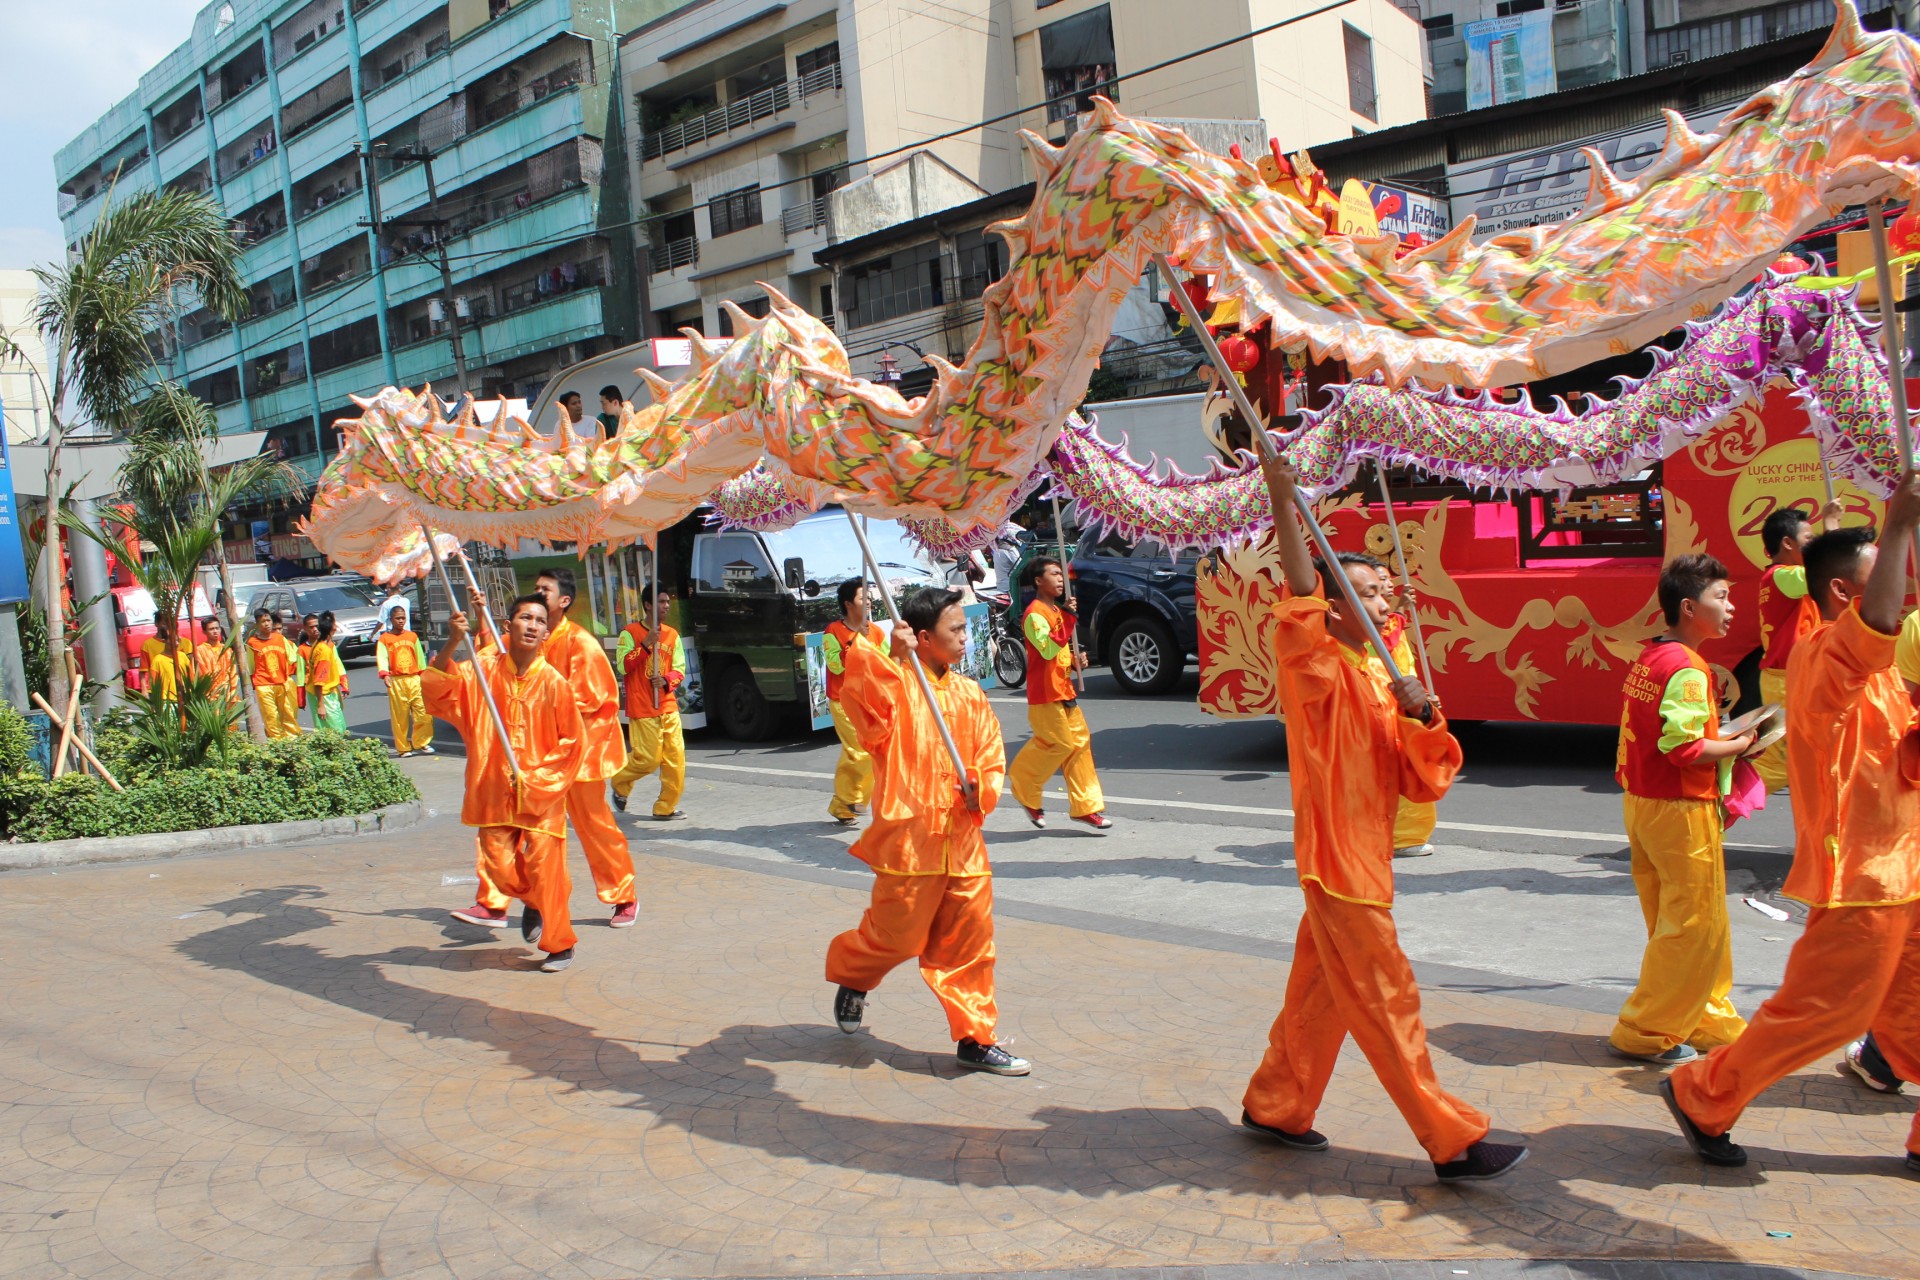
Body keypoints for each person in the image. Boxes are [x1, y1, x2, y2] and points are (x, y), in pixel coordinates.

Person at [1239, 454, 1524, 1182]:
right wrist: (1281, 492)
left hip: (1365, 857)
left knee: (1322, 991)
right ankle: (1449, 1136)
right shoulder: (1315, 662)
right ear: (1333, 609)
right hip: (1340, 863)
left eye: (1382, 593)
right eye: (1362, 596)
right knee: (1387, 996)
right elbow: (1302, 588)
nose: (1381, 606)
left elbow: (1420, 780)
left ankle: (1276, 1101)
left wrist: (1422, 717)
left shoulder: (1374, 672)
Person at [1664, 473, 1920, 1171]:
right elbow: (1882, 627)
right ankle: (1702, 1092)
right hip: (1863, 876)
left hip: (1908, 867)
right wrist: (1898, 522)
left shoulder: (1886, 670)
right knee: (1825, 1013)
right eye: (1892, 574)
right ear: (1844, 592)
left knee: (1913, 1009)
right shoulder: (1829, 655)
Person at [826, 586, 1026, 1076]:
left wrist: (980, 786)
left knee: (971, 944)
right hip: (910, 843)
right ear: (922, 638)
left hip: (961, 841)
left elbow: (991, 755)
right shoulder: (896, 685)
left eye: (963, 628)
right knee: (895, 940)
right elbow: (863, 708)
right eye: (954, 630)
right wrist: (892, 661)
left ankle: (976, 1038)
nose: (964, 638)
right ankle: (855, 976)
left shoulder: (969, 693)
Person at [1608, 554, 1756, 1067]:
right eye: (1722, 598)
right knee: (1693, 924)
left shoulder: (1652, 656)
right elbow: (1685, 748)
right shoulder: (1689, 669)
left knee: (1676, 920)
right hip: (1678, 808)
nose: (1731, 607)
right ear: (1690, 607)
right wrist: (1739, 745)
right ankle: (1647, 1029)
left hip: (1644, 804)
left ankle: (1705, 1017)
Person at [465, 568, 637, 929]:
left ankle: (623, 895)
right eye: (535, 589)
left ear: (564, 601)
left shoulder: (581, 644)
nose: (538, 594)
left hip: (579, 755)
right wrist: (482, 616)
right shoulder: (531, 636)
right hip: (535, 757)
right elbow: (495, 661)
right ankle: (497, 902)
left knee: (594, 825)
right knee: (508, 822)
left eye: (546, 590)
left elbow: (591, 699)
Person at [432, 591, 588, 973]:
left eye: (539, 621)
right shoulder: (483, 671)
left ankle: (560, 944)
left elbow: (573, 743)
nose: (533, 626)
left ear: (546, 633)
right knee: (500, 870)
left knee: (546, 868)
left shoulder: (553, 683)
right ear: (508, 625)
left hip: (540, 796)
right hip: (493, 790)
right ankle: (533, 901)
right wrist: (453, 642)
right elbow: (440, 692)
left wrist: (537, 780)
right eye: (525, 619)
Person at [1007, 556, 1110, 831]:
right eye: (1054, 573)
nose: (1061, 578)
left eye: (1061, 574)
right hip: (1045, 694)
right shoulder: (1034, 614)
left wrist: (1076, 661)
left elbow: (1059, 653)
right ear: (1039, 581)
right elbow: (1047, 649)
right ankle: (1023, 785)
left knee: (1079, 745)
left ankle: (1086, 807)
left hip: (1063, 689)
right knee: (1059, 744)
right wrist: (1067, 618)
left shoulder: (1055, 611)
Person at [1752, 501, 1843, 792]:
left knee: (1820, 757)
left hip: (1802, 676)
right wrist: (1831, 528)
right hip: (1785, 680)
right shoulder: (1780, 576)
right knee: (1778, 766)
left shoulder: (1794, 580)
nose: (1813, 546)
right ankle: (1711, 810)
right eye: (1810, 540)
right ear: (1787, 543)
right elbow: (1825, 573)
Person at [1372, 567, 1437, 859]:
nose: (1387, 584)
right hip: (1383, 708)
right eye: (1378, 581)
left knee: (1415, 767)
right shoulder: (1367, 626)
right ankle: (1402, 837)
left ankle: (1404, 834)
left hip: (1404, 710)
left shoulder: (1392, 621)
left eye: (1388, 579)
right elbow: (1381, 648)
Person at [610, 585, 687, 820]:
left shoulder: (672, 635)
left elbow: (679, 668)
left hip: (667, 705)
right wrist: (645, 644)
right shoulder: (629, 633)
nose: (666, 606)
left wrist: (665, 680)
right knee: (648, 759)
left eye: (667, 602)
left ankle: (665, 807)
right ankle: (620, 782)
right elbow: (622, 665)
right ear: (648, 605)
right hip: (643, 708)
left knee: (675, 761)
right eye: (661, 601)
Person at [824, 578, 887, 825]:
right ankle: (853, 798)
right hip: (843, 701)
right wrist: (855, 640)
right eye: (863, 598)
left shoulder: (877, 631)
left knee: (869, 753)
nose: (869, 602)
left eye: (870, 597)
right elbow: (835, 665)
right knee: (859, 751)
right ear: (849, 604)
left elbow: (888, 662)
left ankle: (842, 805)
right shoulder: (833, 632)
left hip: (869, 702)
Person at [376, 600, 434, 758]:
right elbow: (382, 657)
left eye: (403, 618)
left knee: (423, 713)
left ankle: (422, 742)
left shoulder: (412, 636)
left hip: (414, 678)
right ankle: (403, 748)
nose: (401, 621)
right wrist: (384, 674)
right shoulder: (385, 639)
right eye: (397, 618)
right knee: (400, 716)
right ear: (391, 619)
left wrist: (424, 676)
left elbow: (420, 657)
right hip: (397, 680)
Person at [246, 609, 301, 739]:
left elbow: (293, 658)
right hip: (263, 684)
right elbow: (250, 665)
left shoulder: (281, 639)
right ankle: (277, 744)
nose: (266, 624)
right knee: (271, 716)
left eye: (268, 620)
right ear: (257, 624)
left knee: (288, 714)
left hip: (282, 682)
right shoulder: (252, 643)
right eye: (262, 621)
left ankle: (292, 742)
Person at [308, 611, 350, 733]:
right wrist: (321, 705)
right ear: (332, 628)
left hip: (327, 692)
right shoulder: (324, 651)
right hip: (323, 695)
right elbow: (319, 681)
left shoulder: (323, 645)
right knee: (336, 730)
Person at [140, 615, 192, 708]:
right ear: (156, 624)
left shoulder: (185, 647)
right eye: (164, 623)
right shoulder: (148, 646)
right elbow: (143, 671)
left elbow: (191, 672)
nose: (175, 643)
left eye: (177, 641)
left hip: (182, 696)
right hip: (164, 697)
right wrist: (144, 690)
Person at [192, 616, 238, 701]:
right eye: (211, 629)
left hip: (227, 693)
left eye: (217, 628)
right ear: (204, 632)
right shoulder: (200, 651)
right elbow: (202, 673)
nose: (215, 631)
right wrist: (215, 688)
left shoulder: (226, 649)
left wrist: (232, 691)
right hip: (210, 694)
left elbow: (233, 672)